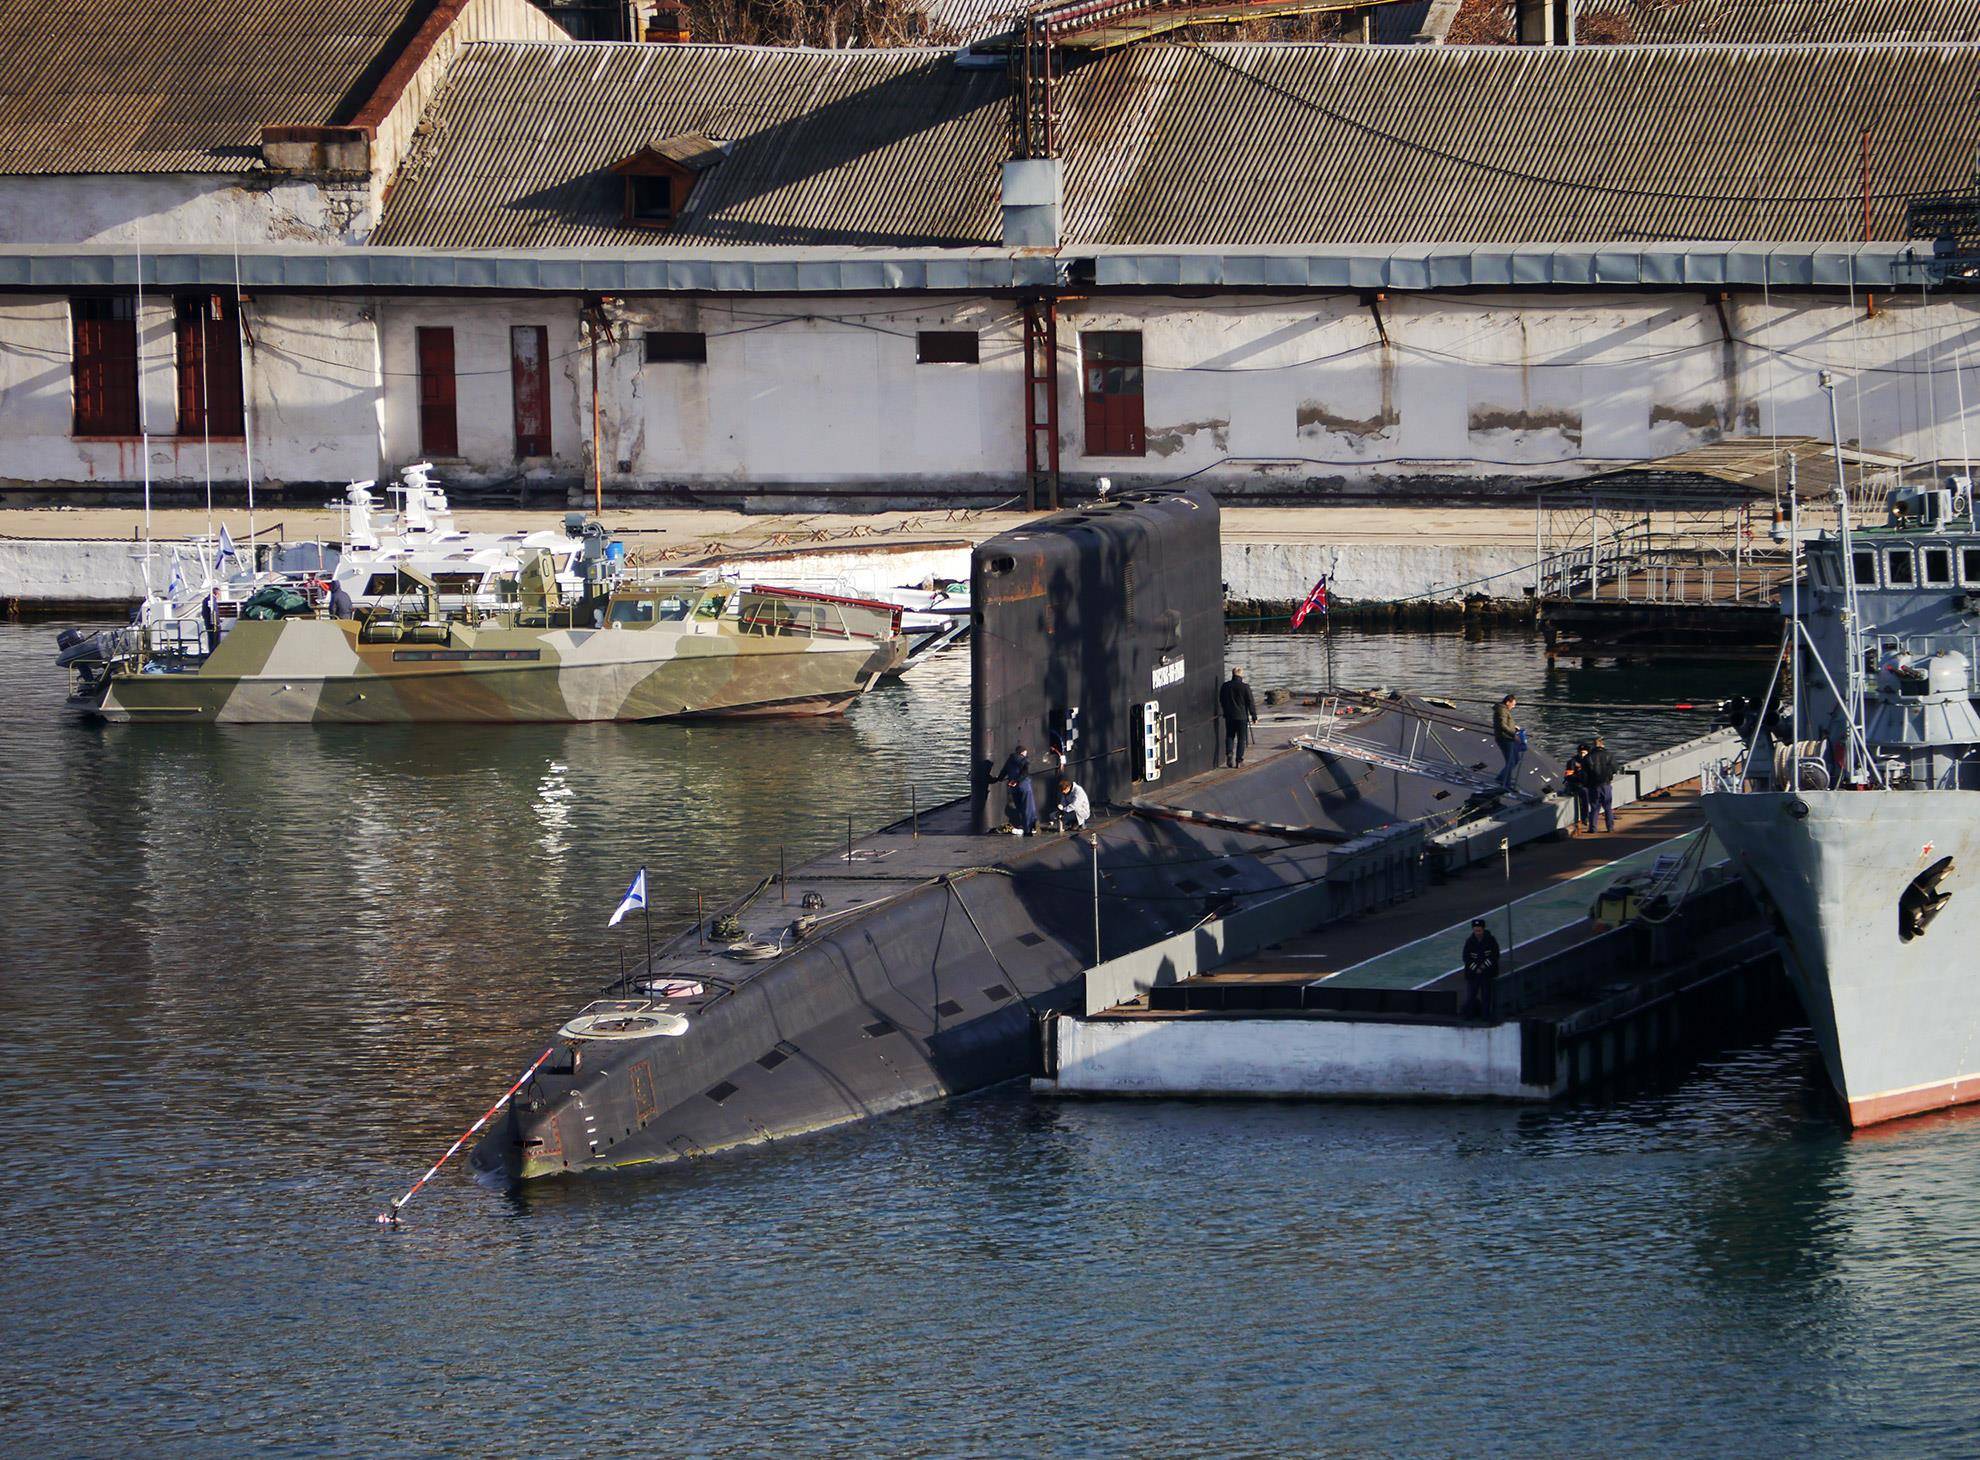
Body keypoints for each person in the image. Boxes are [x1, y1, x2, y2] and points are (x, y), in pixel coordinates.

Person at [1219, 666, 1259, 768]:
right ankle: (1239, 760)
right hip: (1241, 716)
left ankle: (1229, 753)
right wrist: (1254, 716)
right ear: (1241, 675)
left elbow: (1221, 699)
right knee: (1241, 739)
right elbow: (1250, 702)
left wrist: (1225, 710)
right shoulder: (1245, 687)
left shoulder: (1225, 686)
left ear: (1232, 674)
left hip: (1229, 716)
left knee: (1230, 736)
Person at [1461, 918, 1501, 1019]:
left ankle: (1485, 1016)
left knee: (1486, 996)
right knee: (1471, 996)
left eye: (1479, 930)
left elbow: (1494, 955)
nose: (1477, 933)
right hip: (1473, 975)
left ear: (1483, 929)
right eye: (1475, 930)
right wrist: (1475, 968)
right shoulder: (1470, 941)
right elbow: (1466, 957)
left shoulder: (1490, 940)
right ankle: (1469, 1016)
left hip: (1487, 974)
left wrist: (1483, 967)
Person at [996, 745, 1037, 836]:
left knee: (1020, 808)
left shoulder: (1010, 760)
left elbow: (1003, 772)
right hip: (1024, 787)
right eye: (1025, 753)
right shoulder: (1024, 760)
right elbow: (1025, 772)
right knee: (1028, 808)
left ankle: (1024, 825)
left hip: (1013, 789)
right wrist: (1017, 781)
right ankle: (1028, 829)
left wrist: (997, 779)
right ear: (1022, 752)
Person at [1582, 733, 1617, 833]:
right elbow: (1615, 769)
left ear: (1593, 745)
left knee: (1594, 807)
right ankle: (1610, 827)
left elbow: (1584, 773)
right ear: (1602, 745)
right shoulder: (1609, 755)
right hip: (1606, 784)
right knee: (1608, 807)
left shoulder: (1588, 757)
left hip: (1593, 785)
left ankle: (1593, 828)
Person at [1492, 693, 1524, 791]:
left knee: (1515, 759)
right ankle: (1505, 782)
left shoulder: (1504, 710)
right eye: (1513, 704)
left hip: (1508, 738)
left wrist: (1514, 727)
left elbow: (1505, 723)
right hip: (1505, 738)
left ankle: (1503, 779)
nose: (1513, 707)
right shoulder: (1502, 710)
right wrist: (1513, 735)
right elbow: (1502, 725)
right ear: (1507, 702)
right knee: (1511, 761)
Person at [1564, 742, 1591, 832]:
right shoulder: (1572, 762)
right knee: (1584, 792)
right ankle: (1585, 817)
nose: (1582, 754)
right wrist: (1580, 778)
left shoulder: (1590, 760)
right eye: (1581, 752)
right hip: (1576, 784)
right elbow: (1568, 776)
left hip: (1587, 783)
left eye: (1584, 753)